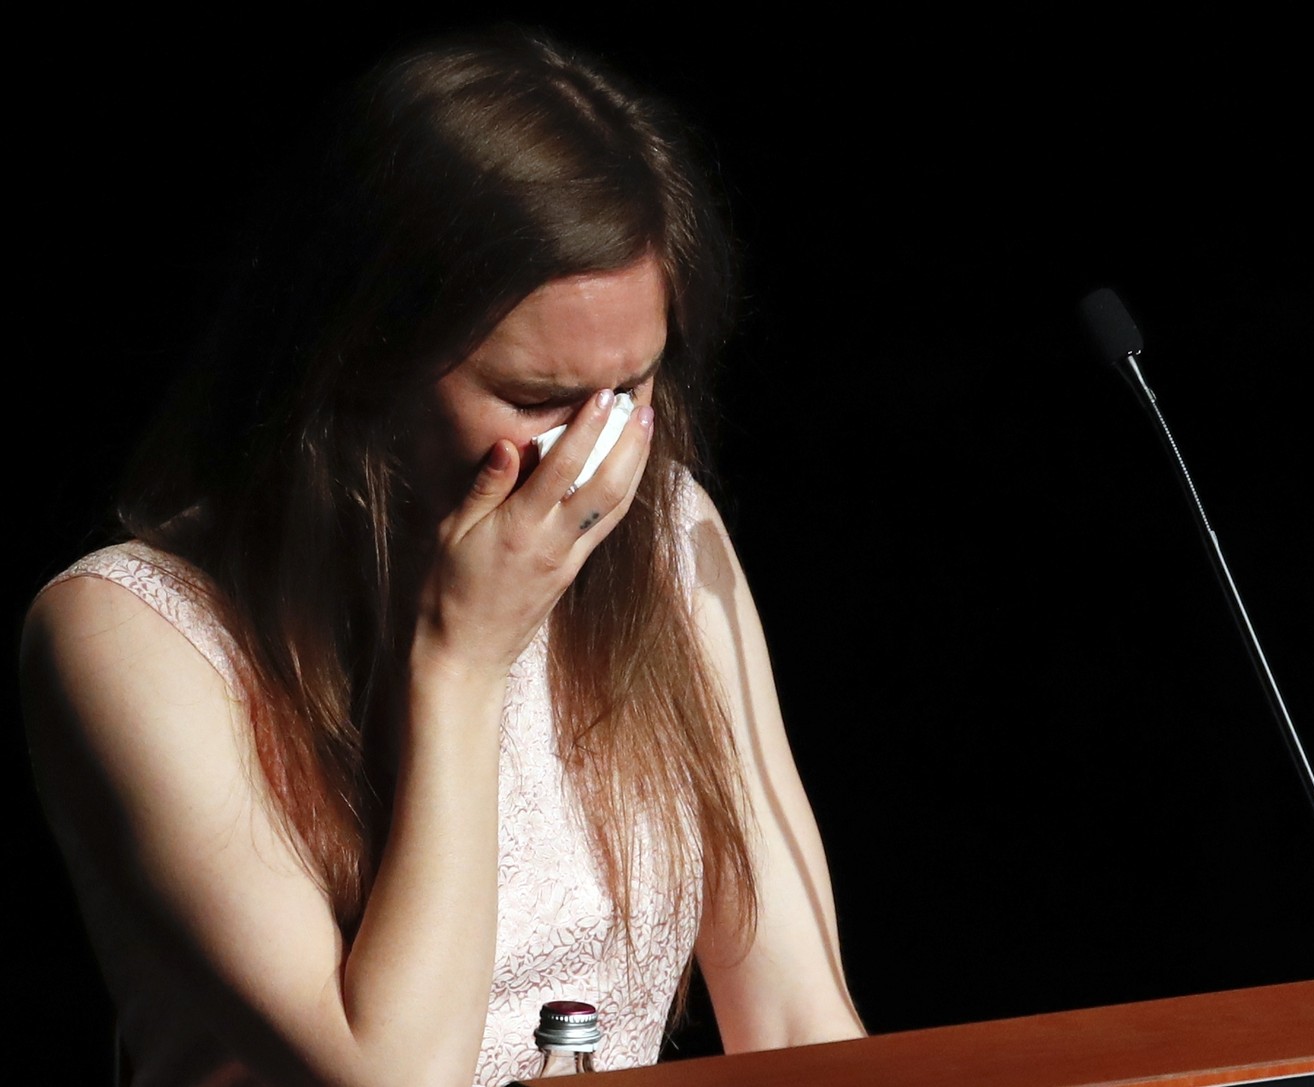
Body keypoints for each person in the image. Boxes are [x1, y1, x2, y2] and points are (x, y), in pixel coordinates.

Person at [20, 24, 864, 1087]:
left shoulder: (663, 531)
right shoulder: (131, 630)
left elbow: (797, 1021)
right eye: (539, 400)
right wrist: (461, 659)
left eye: (633, 388)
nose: (597, 454)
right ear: (363, 362)